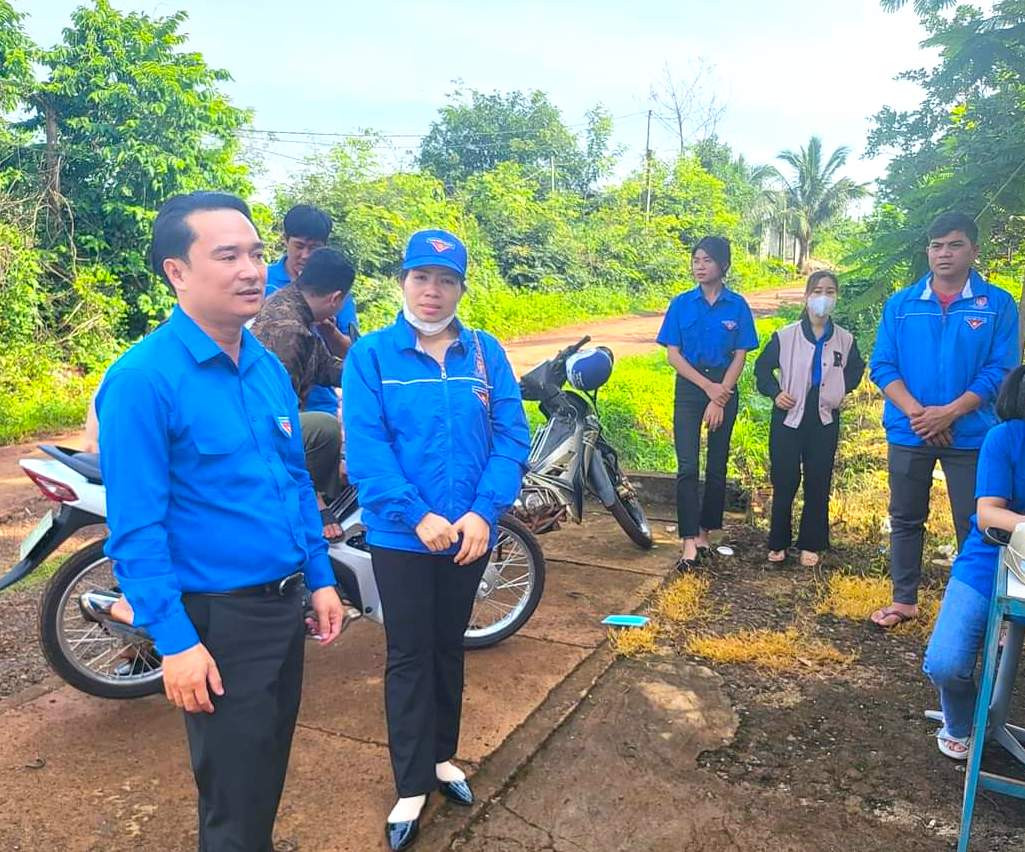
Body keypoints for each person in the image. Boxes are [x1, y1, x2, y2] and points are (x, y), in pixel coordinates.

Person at [96, 191, 346, 851]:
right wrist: (176, 642)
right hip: (218, 620)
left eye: (256, 254)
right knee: (233, 799)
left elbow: (294, 482)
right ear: (177, 271)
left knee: (264, 774)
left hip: (283, 606)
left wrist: (321, 579)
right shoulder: (144, 379)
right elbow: (136, 530)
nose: (250, 270)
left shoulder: (262, 366)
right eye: (228, 256)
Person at [342, 228, 530, 850]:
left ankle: (443, 756)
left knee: (450, 646)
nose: (432, 290)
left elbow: (511, 435)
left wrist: (483, 511)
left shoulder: (484, 354)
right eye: (421, 277)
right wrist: (415, 513)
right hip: (402, 536)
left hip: (469, 534)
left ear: (461, 289)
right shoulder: (372, 356)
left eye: (446, 280)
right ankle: (410, 784)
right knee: (409, 652)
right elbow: (367, 448)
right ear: (403, 282)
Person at [869, 212, 1018, 628]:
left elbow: (1001, 369)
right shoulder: (902, 305)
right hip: (910, 429)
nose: (944, 254)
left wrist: (951, 412)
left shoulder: (997, 305)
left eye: (954, 245)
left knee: (976, 524)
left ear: (974, 250)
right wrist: (920, 415)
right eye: (936, 246)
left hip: (971, 434)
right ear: (928, 251)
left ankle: (976, 611)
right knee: (905, 517)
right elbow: (882, 365)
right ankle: (904, 601)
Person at [923, 366, 1025, 759]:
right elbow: (988, 514)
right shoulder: (1004, 438)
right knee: (945, 663)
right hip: (990, 558)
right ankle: (961, 721)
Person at [657, 235, 758, 571]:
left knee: (716, 465)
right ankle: (688, 540)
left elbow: (741, 355)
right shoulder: (681, 304)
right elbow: (673, 355)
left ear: (723, 265)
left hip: (724, 385)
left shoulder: (737, 306)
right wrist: (707, 389)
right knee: (687, 466)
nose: (699, 266)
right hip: (690, 386)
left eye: (707, 260)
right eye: (696, 260)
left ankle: (704, 533)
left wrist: (721, 394)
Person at [754, 271, 866, 566]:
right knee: (785, 479)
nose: (823, 297)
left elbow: (856, 370)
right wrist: (775, 393)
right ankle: (778, 542)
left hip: (824, 418)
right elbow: (762, 369)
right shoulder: (785, 336)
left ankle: (811, 543)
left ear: (836, 297)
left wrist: (839, 389)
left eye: (830, 291)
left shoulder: (845, 339)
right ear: (806, 296)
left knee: (818, 480)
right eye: (817, 291)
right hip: (789, 417)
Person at [251, 246, 356, 539]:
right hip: (258, 432)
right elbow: (279, 420)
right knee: (323, 427)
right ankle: (309, 498)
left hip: (268, 424)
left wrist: (376, 375)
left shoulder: (298, 312)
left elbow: (326, 368)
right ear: (336, 299)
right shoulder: (288, 330)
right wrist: (312, 494)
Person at [266, 204, 358, 417]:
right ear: (285, 240)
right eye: (299, 246)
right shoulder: (260, 281)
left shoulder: (336, 286)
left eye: (314, 248)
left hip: (321, 404)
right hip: (278, 408)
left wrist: (330, 331)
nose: (305, 255)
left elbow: (344, 356)